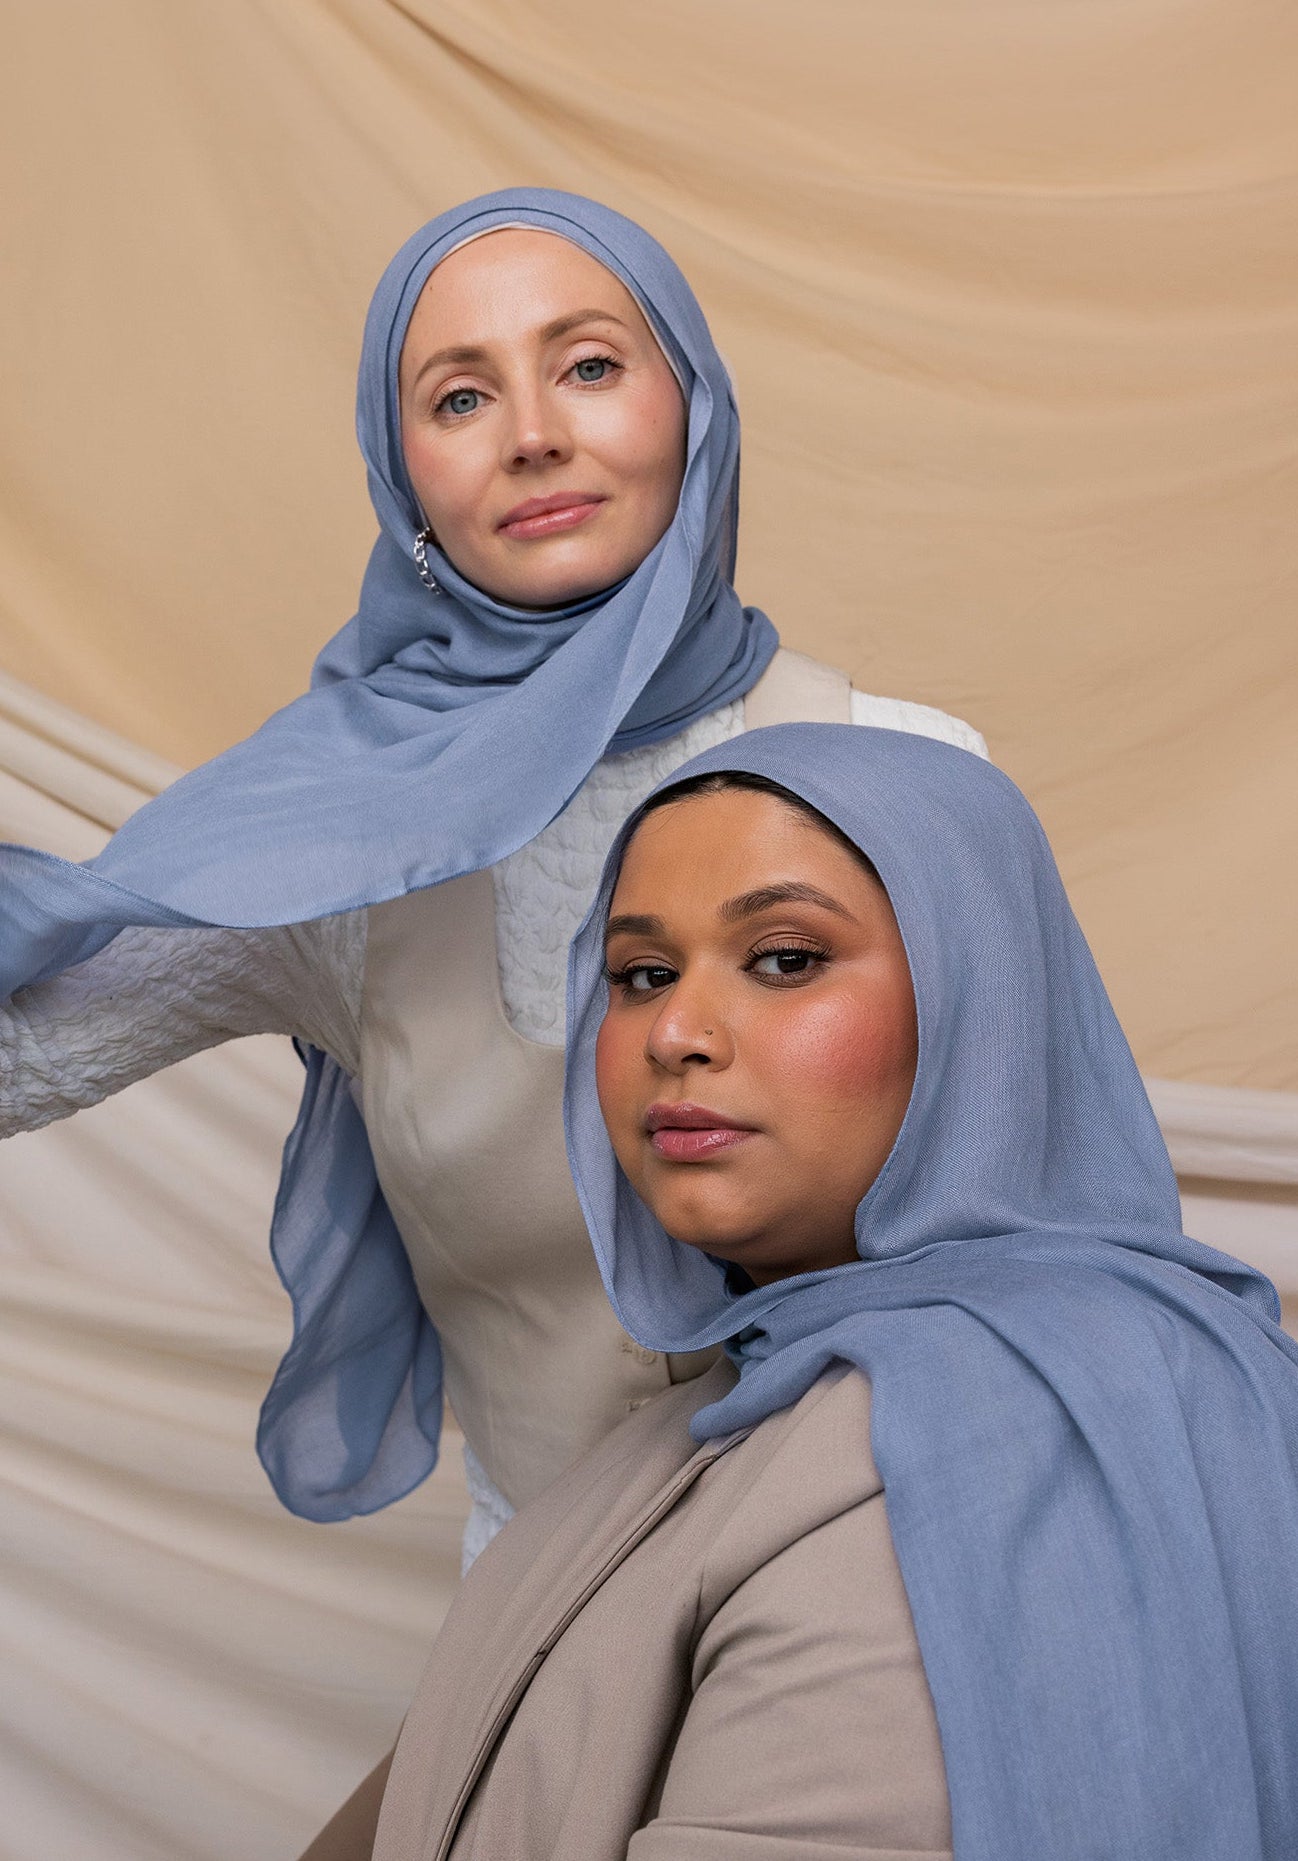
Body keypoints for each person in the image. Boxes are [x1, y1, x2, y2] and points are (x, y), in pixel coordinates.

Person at [0, 191, 985, 1568]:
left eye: (588, 366)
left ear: (692, 407)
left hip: (904, 1574)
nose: (533, 434)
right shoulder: (343, 856)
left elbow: (1050, 1223)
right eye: (460, 397)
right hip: (540, 1622)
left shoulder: (916, 774)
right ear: (404, 479)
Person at [373, 723, 1298, 1861]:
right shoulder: (740, 1401)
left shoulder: (985, 1421)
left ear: (977, 997)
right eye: (640, 975)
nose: (674, 1033)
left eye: (783, 958)